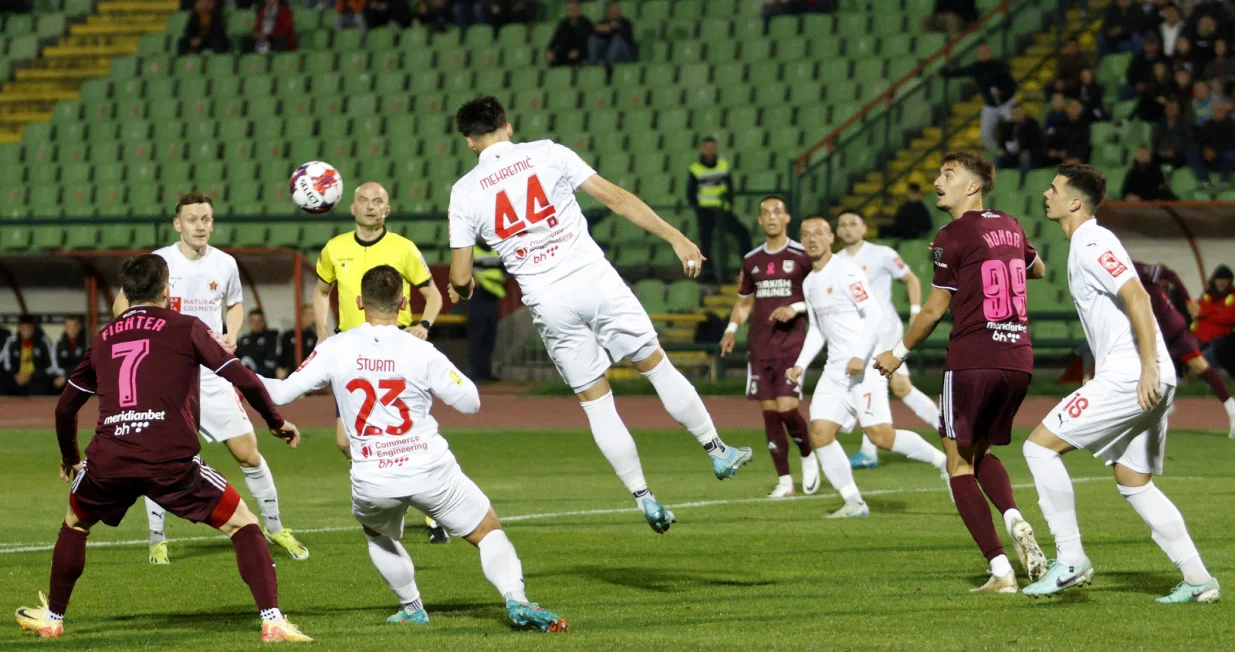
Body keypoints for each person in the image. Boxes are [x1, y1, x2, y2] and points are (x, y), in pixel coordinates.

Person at [447, 96, 753, 533]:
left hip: (547, 301)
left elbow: (460, 275)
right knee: (656, 367)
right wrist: (676, 237)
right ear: (508, 127)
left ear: (469, 142)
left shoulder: (464, 191)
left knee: (597, 404)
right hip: (594, 281)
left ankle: (644, 497)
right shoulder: (548, 152)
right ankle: (716, 449)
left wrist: (462, 288)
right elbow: (617, 198)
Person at [14, 254, 311, 642]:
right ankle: (272, 620)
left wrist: (71, 457)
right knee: (244, 524)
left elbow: (65, 407)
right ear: (167, 290)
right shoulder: (187, 326)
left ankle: (53, 618)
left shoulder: (104, 337)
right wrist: (275, 420)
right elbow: (245, 378)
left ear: (124, 292)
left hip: (110, 460)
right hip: (171, 461)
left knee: (75, 522)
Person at [258, 265, 568, 631]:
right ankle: (517, 600)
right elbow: (470, 402)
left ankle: (412, 607)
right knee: (487, 531)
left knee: (377, 534)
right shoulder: (421, 351)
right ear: (403, 302)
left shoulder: (335, 348)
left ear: (359, 303)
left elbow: (279, 392)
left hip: (373, 477)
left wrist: (222, 366)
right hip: (429, 468)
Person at [1020, 164, 1220, 603]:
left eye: (1053, 189)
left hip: (1135, 377)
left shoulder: (1092, 241)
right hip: (1140, 375)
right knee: (1133, 480)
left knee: (1037, 447)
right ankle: (1198, 579)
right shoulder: (1086, 244)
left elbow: (1138, 296)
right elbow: (1112, 314)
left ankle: (1070, 559)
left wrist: (1146, 367)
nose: (1045, 194)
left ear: (1075, 201)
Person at [874, 152, 1048, 593]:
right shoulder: (1010, 223)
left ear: (973, 186)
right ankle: (1015, 518)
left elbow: (934, 309)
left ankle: (1001, 571)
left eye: (947, 175)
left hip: (973, 358)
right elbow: (1038, 269)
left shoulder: (949, 235)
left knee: (956, 464)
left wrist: (897, 353)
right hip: (1018, 359)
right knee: (979, 454)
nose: (937, 181)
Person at [115, 192, 308, 564]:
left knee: (249, 454)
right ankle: (157, 538)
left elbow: (234, 304)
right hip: (169, 376)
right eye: (192, 219)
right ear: (177, 224)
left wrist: (232, 332)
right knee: (163, 457)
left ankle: (275, 526)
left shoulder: (226, 264)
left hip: (212, 373)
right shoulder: (158, 263)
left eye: (206, 219)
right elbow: (122, 304)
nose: (200, 225)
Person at [785, 217, 949, 518]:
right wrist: (799, 365)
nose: (812, 239)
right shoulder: (809, 282)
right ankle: (854, 502)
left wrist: (860, 355)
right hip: (835, 371)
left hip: (865, 369)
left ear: (830, 238)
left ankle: (944, 463)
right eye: (806, 234)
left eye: (819, 233)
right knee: (820, 433)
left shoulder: (847, 272)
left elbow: (874, 314)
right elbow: (817, 330)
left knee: (881, 437)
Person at [313, 181, 448, 544]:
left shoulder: (403, 248)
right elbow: (321, 290)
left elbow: (432, 294)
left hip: (395, 353)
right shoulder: (334, 248)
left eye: (379, 201)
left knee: (411, 437)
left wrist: (423, 324)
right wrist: (322, 332)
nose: (371, 207)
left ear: (387, 209)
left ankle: (434, 510)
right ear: (352, 208)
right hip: (352, 355)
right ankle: (386, 489)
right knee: (345, 441)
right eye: (363, 201)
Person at [718, 196, 819, 498]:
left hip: (792, 345)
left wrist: (796, 308)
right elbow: (744, 301)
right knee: (770, 413)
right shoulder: (751, 260)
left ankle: (807, 455)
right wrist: (731, 328)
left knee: (788, 409)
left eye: (777, 212)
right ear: (760, 221)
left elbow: (819, 297)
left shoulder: (803, 256)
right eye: (766, 213)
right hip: (760, 346)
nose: (772, 217)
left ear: (787, 218)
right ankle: (785, 481)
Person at [834, 211, 944, 469]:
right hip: (859, 335)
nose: (848, 229)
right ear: (837, 232)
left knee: (871, 383)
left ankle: (869, 450)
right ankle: (946, 426)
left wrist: (916, 311)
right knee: (901, 387)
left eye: (853, 223)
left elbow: (911, 279)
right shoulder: (836, 262)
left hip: (885, 331)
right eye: (843, 225)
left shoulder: (882, 254)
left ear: (864, 228)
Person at [1134, 260, 1235, 436]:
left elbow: (1169, 274)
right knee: (1139, 369)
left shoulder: (1134, 268)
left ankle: (1232, 411)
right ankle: (1162, 405)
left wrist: (1188, 300)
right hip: (1157, 330)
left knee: (1199, 367)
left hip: (1169, 329)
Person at [686, 137, 753, 281]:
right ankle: (708, 275)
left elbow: (730, 188)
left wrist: (727, 202)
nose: (710, 150)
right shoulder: (695, 169)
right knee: (706, 244)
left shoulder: (723, 165)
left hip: (723, 211)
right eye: (707, 147)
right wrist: (699, 209)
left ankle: (749, 269)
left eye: (712, 147)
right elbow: (690, 194)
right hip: (705, 212)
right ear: (703, 149)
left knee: (743, 233)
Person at [939, 44, 1017, 153]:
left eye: (985, 52)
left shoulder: (999, 66)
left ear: (989, 53)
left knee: (1014, 128)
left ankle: (1013, 152)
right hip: (990, 106)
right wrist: (942, 73)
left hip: (1007, 103)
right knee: (985, 135)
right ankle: (998, 152)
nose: (983, 54)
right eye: (981, 53)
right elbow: (960, 72)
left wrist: (1002, 92)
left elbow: (1012, 84)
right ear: (978, 55)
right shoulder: (976, 68)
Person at [468, 241, 505, 382]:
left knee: (490, 336)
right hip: (478, 296)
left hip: (493, 296)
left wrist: (505, 277)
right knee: (477, 336)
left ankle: (486, 372)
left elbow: (505, 270)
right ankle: (474, 372)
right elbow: (462, 269)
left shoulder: (496, 250)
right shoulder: (472, 250)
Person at [0, 315, 60, 396]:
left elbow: (51, 366)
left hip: (36, 378)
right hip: (17, 378)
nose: (26, 331)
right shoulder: (12, 341)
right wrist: (16, 375)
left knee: (43, 383)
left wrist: (32, 376)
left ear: (34, 328)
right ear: (19, 328)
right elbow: (7, 365)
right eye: (23, 328)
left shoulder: (43, 341)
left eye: (29, 328)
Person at [1193, 265, 1235, 380]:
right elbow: (1196, 311)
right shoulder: (1207, 294)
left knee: (1210, 351)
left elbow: (1229, 317)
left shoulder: (1233, 295)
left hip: (1224, 337)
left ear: (1230, 281)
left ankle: (1210, 380)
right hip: (1201, 336)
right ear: (1214, 281)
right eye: (1219, 279)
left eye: (1225, 279)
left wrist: (1207, 314)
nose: (1221, 282)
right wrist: (1217, 310)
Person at [995, 104, 1048, 179]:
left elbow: (1037, 143)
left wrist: (1021, 148)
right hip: (1012, 154)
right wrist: (1002, 149)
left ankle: (1023, 181)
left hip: (1030, 154)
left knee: (1024, 156)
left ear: (1023, 113)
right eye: (1013, 114)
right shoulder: (1009, 126)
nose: (1015, 116)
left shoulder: (1032, 124)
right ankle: (998, 180)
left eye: (1017, 113)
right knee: (997, 156)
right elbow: (1002, 141)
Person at [1193, 99, 1235, 186]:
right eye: (1214, 110)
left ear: (1225, 111)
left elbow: (1231, 143)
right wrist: (1205, 150)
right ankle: (1204, 180)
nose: (1217, 112)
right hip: (1208, 157)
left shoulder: (1232, 125)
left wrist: (1216, 151)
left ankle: (1225, 179)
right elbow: (1199, 141)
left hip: (1224, 159)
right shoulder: (1207, 125)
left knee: (1230, 154)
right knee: (1191, 152)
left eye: (1220, 110)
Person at [587, 2, 637, 67]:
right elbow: (594, 31)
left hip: (624, 54)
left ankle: (607, 65)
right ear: (607, 13)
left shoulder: (626, 23)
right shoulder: (602, 22)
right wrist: (604, 29)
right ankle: (592, 64)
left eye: (615, 10)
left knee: (617, 39)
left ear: (619, 12)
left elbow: (624, 34)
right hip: (606, 51)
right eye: (611, 11)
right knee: (592, 39)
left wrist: (610, 28)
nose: (613, 12)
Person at [546, 0, 592, 67]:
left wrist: (578, 52)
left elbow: (588, 42)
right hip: (565, 52)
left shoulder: (586, 23)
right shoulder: (563, 23)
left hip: (579, 53)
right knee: (553, 60)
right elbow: (555, 38)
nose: (572, 10)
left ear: (579, 9)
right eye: (570, 9)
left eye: (574, 8)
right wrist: (550, 50)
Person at [277, 305, 318, 379]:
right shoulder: (288, 335)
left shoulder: (314, 337)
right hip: (290, 373)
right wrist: (281, 367)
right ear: (300, 315)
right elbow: (283, 354)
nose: (310, 317)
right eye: (307, 314)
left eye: (312, 314)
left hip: (308, 374)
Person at [237, 309, 279, 379]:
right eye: (253, 321)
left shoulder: (271, 336)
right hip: (246, 378)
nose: (256, 324)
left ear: (263, 321)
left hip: (265, 378)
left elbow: (271, 359)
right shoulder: (243, 339)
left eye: (259, 320)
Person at [52, 316, 87, 393]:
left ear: (79, 327)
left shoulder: (87, 342)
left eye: (74, 326)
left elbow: (87, 366)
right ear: (65, 327)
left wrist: (67, 376)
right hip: (63, 378)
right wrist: (65, 376)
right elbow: (55, 366)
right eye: (69, 326)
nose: (72, 329)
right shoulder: (59, 343)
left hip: (81, 378)